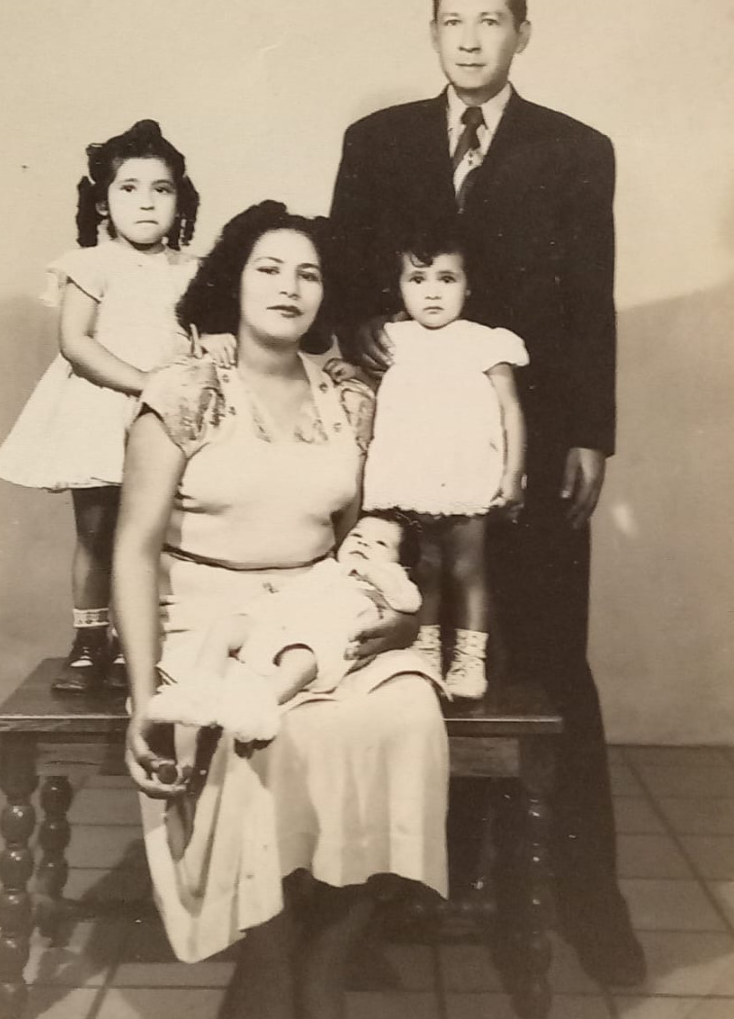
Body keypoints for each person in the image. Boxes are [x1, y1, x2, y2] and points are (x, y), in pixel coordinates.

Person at [329, 0, 642, 982]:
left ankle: (589, 902)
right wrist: (366, 332)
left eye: (491, 21)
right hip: (409, 451)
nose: (471, 40)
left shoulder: (575, 150)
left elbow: (589, 300)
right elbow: (343, 282)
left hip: (527, 443)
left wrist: (589, 432)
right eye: (453, 22)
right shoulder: (376, 143)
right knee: (404, 655)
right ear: (433, 32)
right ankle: (400, 892)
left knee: (547, 661)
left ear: (522, 33)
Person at [113, 200, 448, 1019]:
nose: (288, 287)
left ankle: (325, 962)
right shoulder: (183, 391)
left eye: (309, 274)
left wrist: (400, 619)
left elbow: (369, 538)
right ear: (233, 281)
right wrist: (142, 695)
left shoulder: (351, 397)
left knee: (409, 715)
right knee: (261, 736)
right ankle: (266, 963)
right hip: (205, 616)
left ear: (327, 294)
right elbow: (133, 550)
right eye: (268, 268)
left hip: (319, 610)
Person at [0, 119, 202, 694]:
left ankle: (143, 640)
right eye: (129, 188)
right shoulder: (90, 265)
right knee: (98, 530)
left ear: (180, 201)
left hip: (166, 417)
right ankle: (89, 641)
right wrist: (144, 383)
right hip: (103, 406)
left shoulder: (193, 271)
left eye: (161, 189)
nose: (146, 202)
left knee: (162, 530)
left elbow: (203, 335)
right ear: (103, 203)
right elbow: (76, 343)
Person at [361, 225, 527, 699]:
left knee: (467, 569)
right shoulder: (393, 339)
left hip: (465, 473)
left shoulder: (485, 342)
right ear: (399, 287)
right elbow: (376, 397)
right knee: (425, 568)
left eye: (447, 279)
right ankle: (427, 651)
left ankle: (470, 660)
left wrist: (513, 474)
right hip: (413, 474)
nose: (432, 292)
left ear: (468, 286)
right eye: (417, 279)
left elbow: (511, 410)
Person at [144, 510, 425, 745]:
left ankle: (260, 705)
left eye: (380, 543)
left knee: (301, 657)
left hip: (325, 636)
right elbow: (299, 590)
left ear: (402, 565)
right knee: (228, 627)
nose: (363, 544)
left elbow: (409, 601)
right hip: (279, 625)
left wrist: (378, 575)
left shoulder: (391, 577)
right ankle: (200, 688)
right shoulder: (329, 568)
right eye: (357, 535)